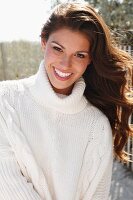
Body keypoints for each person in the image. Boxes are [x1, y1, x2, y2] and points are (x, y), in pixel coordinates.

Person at [0, 2, 132, 200]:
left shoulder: (97, 125)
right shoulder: (5, 100)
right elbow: (7, 184)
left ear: (90, 60)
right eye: (58, 49)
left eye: (79, 55)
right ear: (43, 42)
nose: (65, 64)